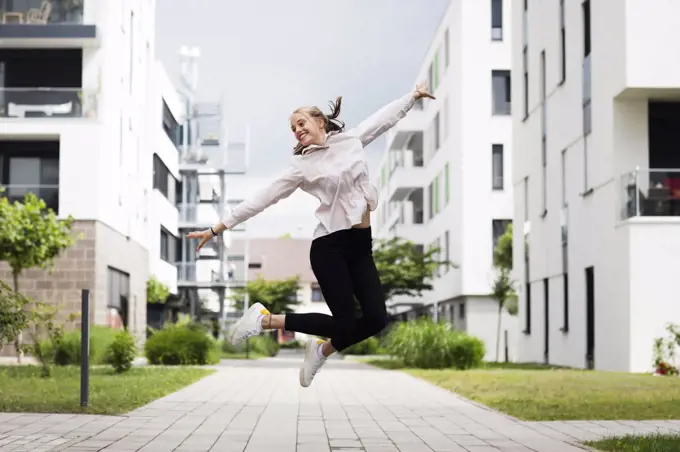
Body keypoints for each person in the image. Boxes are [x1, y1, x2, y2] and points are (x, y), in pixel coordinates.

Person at [187, 82, 435, 387]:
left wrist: (412, 96)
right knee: (345, 323)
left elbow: (384, 119)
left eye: (301, 122)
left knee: (376, 319)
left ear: (320, 121)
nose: (297, 130)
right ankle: (265, 320)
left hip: (360, 246)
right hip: (329, 246)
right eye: (292, 128)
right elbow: (263, 198)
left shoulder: (352, 141)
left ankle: (321, 350)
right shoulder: (301, 167)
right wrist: (218, 227)